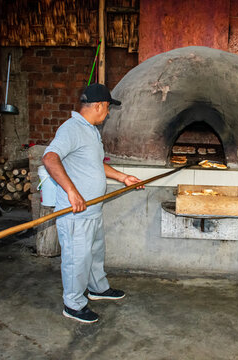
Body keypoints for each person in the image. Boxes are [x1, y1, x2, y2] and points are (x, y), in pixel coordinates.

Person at [42, 83, 143, 323]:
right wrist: (72, 192)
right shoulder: (72, 129)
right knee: (78, 259)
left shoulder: (90, 130)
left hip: (93, 210)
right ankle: (73, 304)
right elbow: (50, 158)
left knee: (94, 253)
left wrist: (123, 177)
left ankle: (98, 288)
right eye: (107, 108)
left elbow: (95, 165)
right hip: (76, 213)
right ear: (98, 105)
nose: (107, 113)